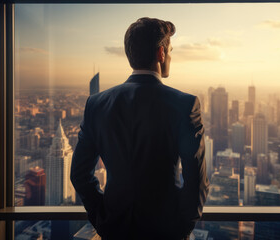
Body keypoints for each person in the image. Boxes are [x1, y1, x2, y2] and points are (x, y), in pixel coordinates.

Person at [71, 17, 209, 240]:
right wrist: (182, 227)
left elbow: (79, 174)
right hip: (166, 230)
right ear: (161, 53)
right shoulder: (184, 105)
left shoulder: (97, 104)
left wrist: (102, 218)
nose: (170, 57)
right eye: (170, 50)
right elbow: (196, 178)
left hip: (115, 229)